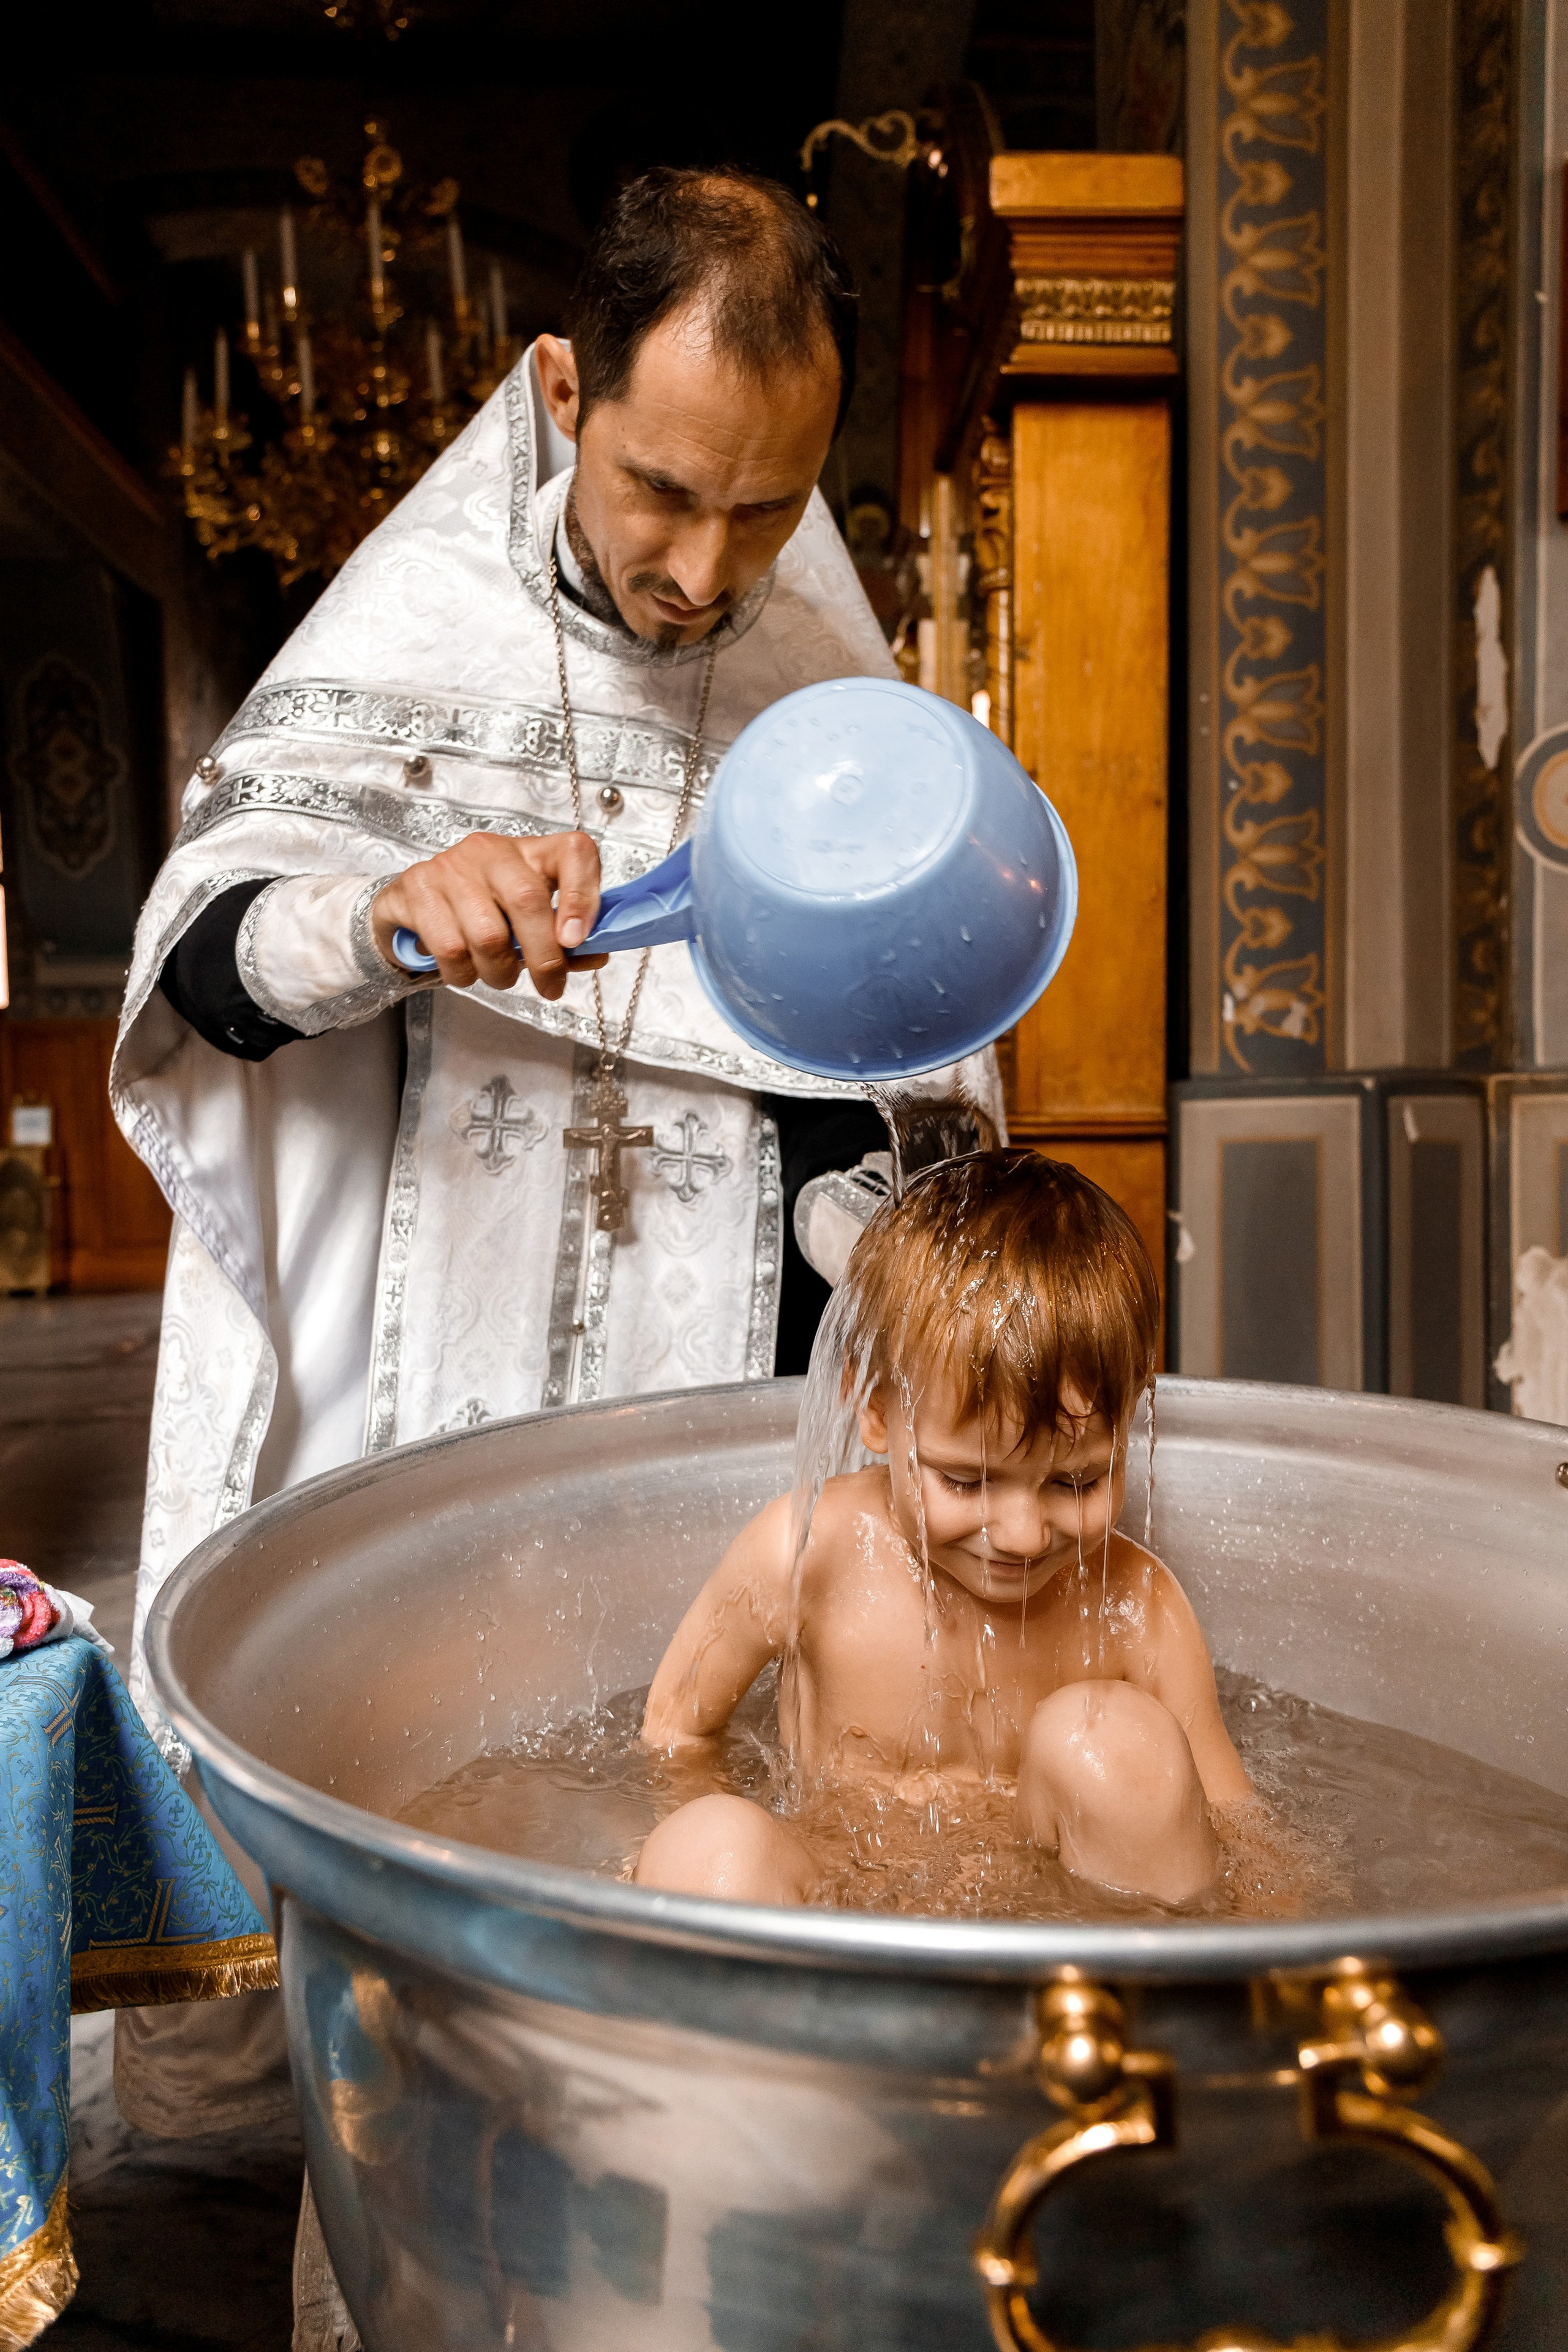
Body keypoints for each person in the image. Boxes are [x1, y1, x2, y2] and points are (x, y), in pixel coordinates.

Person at [635, 1153, 1252, 1909]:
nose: (1023, 1536)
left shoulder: (1134, 1606)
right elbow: (674, 1735)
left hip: (1054, 1936)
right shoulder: (810, 1552)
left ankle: (1147, 1978)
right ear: (874, 1409)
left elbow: (1237, 1830)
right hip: (835, 1914)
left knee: (1116, 1746)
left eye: (1076, 1482)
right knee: (709, 1849)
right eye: (965, 1481)